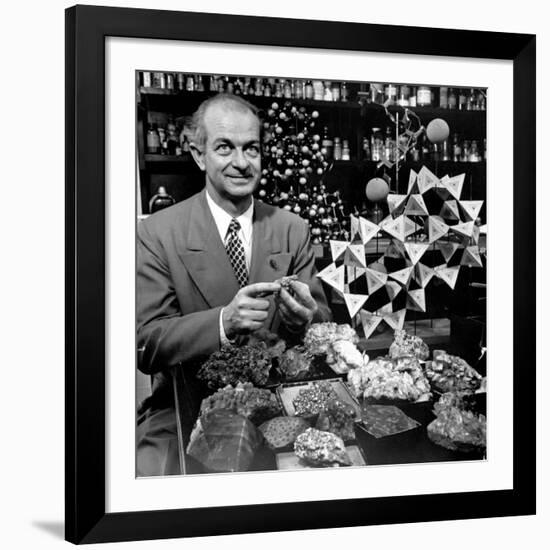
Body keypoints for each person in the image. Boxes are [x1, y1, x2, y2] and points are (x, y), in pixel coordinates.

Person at [136, 93, 331, 476]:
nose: (241, 163)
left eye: (252, 148)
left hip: (281, 402)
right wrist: (222, 322)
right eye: (225, 147)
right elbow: (146, 344)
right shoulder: (158, 232)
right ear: (198, 154)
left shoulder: (292, 229)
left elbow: (323, 324)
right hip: (188, 404)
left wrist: (306, 319)